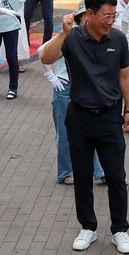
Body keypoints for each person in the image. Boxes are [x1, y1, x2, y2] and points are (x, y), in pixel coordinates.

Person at [39, 0, 129, 254]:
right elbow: (46, 58)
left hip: (109, 118)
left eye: (113, 16)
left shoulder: (117, 38)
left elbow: (125, 75)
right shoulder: (72, 38)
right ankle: (88, 227)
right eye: (106, 15)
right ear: (90, 15)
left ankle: (120, 230)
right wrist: (62, 33)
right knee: (82, 177)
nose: (110, 21)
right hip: (79, 117)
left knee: (116, 176)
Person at [40, 36, 107, 186]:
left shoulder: (97, 37)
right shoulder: (68, 36)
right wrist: (50, 75)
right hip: (65, 87)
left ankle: (101, 171)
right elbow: (41, 51)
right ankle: (66, 173)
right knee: (64, 133)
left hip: (86, 87)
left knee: (94, 130)